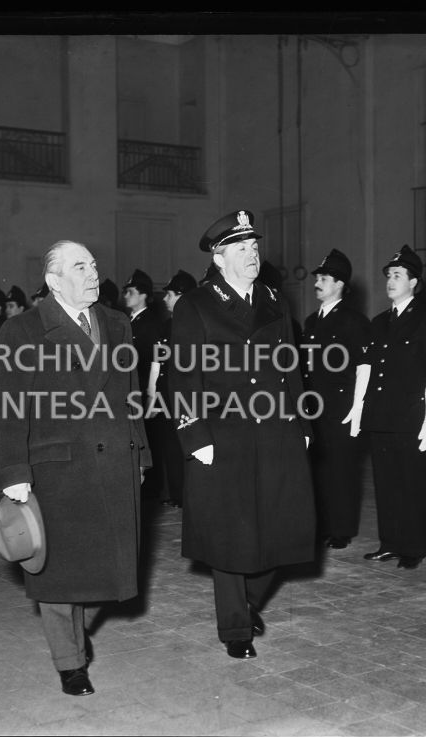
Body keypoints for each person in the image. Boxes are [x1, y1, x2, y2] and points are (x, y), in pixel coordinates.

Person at [0, 240, 151, 697]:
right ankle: (70, 660)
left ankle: (77, 642)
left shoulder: (117, 324)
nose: (93, 272)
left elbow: (131, 394)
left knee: (105, 567)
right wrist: (14, 472)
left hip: (115, 458)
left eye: (95, 264)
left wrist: (141, 451)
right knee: (58, 571)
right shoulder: (22, 330)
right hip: (57, 467)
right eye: (80, 266)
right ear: (54, 279)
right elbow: (8, 408)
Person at [169, 209, 316, 660]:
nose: (252, 255)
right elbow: (183, 377)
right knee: (230, 533)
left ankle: (250, 601)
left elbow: (291, 366)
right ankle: (236, 628)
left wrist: (302, 423)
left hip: (275, 431)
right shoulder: (196, 305)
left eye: (255, 247)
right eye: (242, 248)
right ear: (219, 255)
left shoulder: (275, 300)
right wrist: (196, 437)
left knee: (281, 526)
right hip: (223, 434)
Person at [349, 245, 426, 570]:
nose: (390, 281)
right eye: (388, 275)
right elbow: (365, 369)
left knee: (413, 484)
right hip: (381, 416)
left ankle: (412, 547)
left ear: (414, 282)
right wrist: (358, 410)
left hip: (411, 418)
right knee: (386, 484)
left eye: (397, 275)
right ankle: (389, 542)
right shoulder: (378, 323)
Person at [300, 249, 371, 550]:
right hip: (315, 406)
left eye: (324, 278)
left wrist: (358, 408)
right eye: (317, 277)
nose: (318, 282)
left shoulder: (355, 322)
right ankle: (321, 525)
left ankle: (341, 529)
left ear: (340, 284)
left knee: (342, 470)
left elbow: (363, 370)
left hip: (341, 407)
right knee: (318, 469)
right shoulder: (311, 321)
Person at [146, 269, 197, 508]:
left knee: (186, 448)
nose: (165, 299)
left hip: (185, 398)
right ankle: (177, 495)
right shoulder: (166, 327)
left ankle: (188, 496)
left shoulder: (195, 325)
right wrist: (152, 397)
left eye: (170, 295)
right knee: (171, 450)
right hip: (166, 397)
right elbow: (158, 365)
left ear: (182, 297)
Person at [123, 268, 166, 499]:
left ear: (143, 295)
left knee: (149, 441)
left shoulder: (151, 323)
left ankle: (152, 491)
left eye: (130, 292)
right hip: (132, 391)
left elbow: (155, 364)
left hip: (145, 391)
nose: (126, 296)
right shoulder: (128, 321)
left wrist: (152, 398)